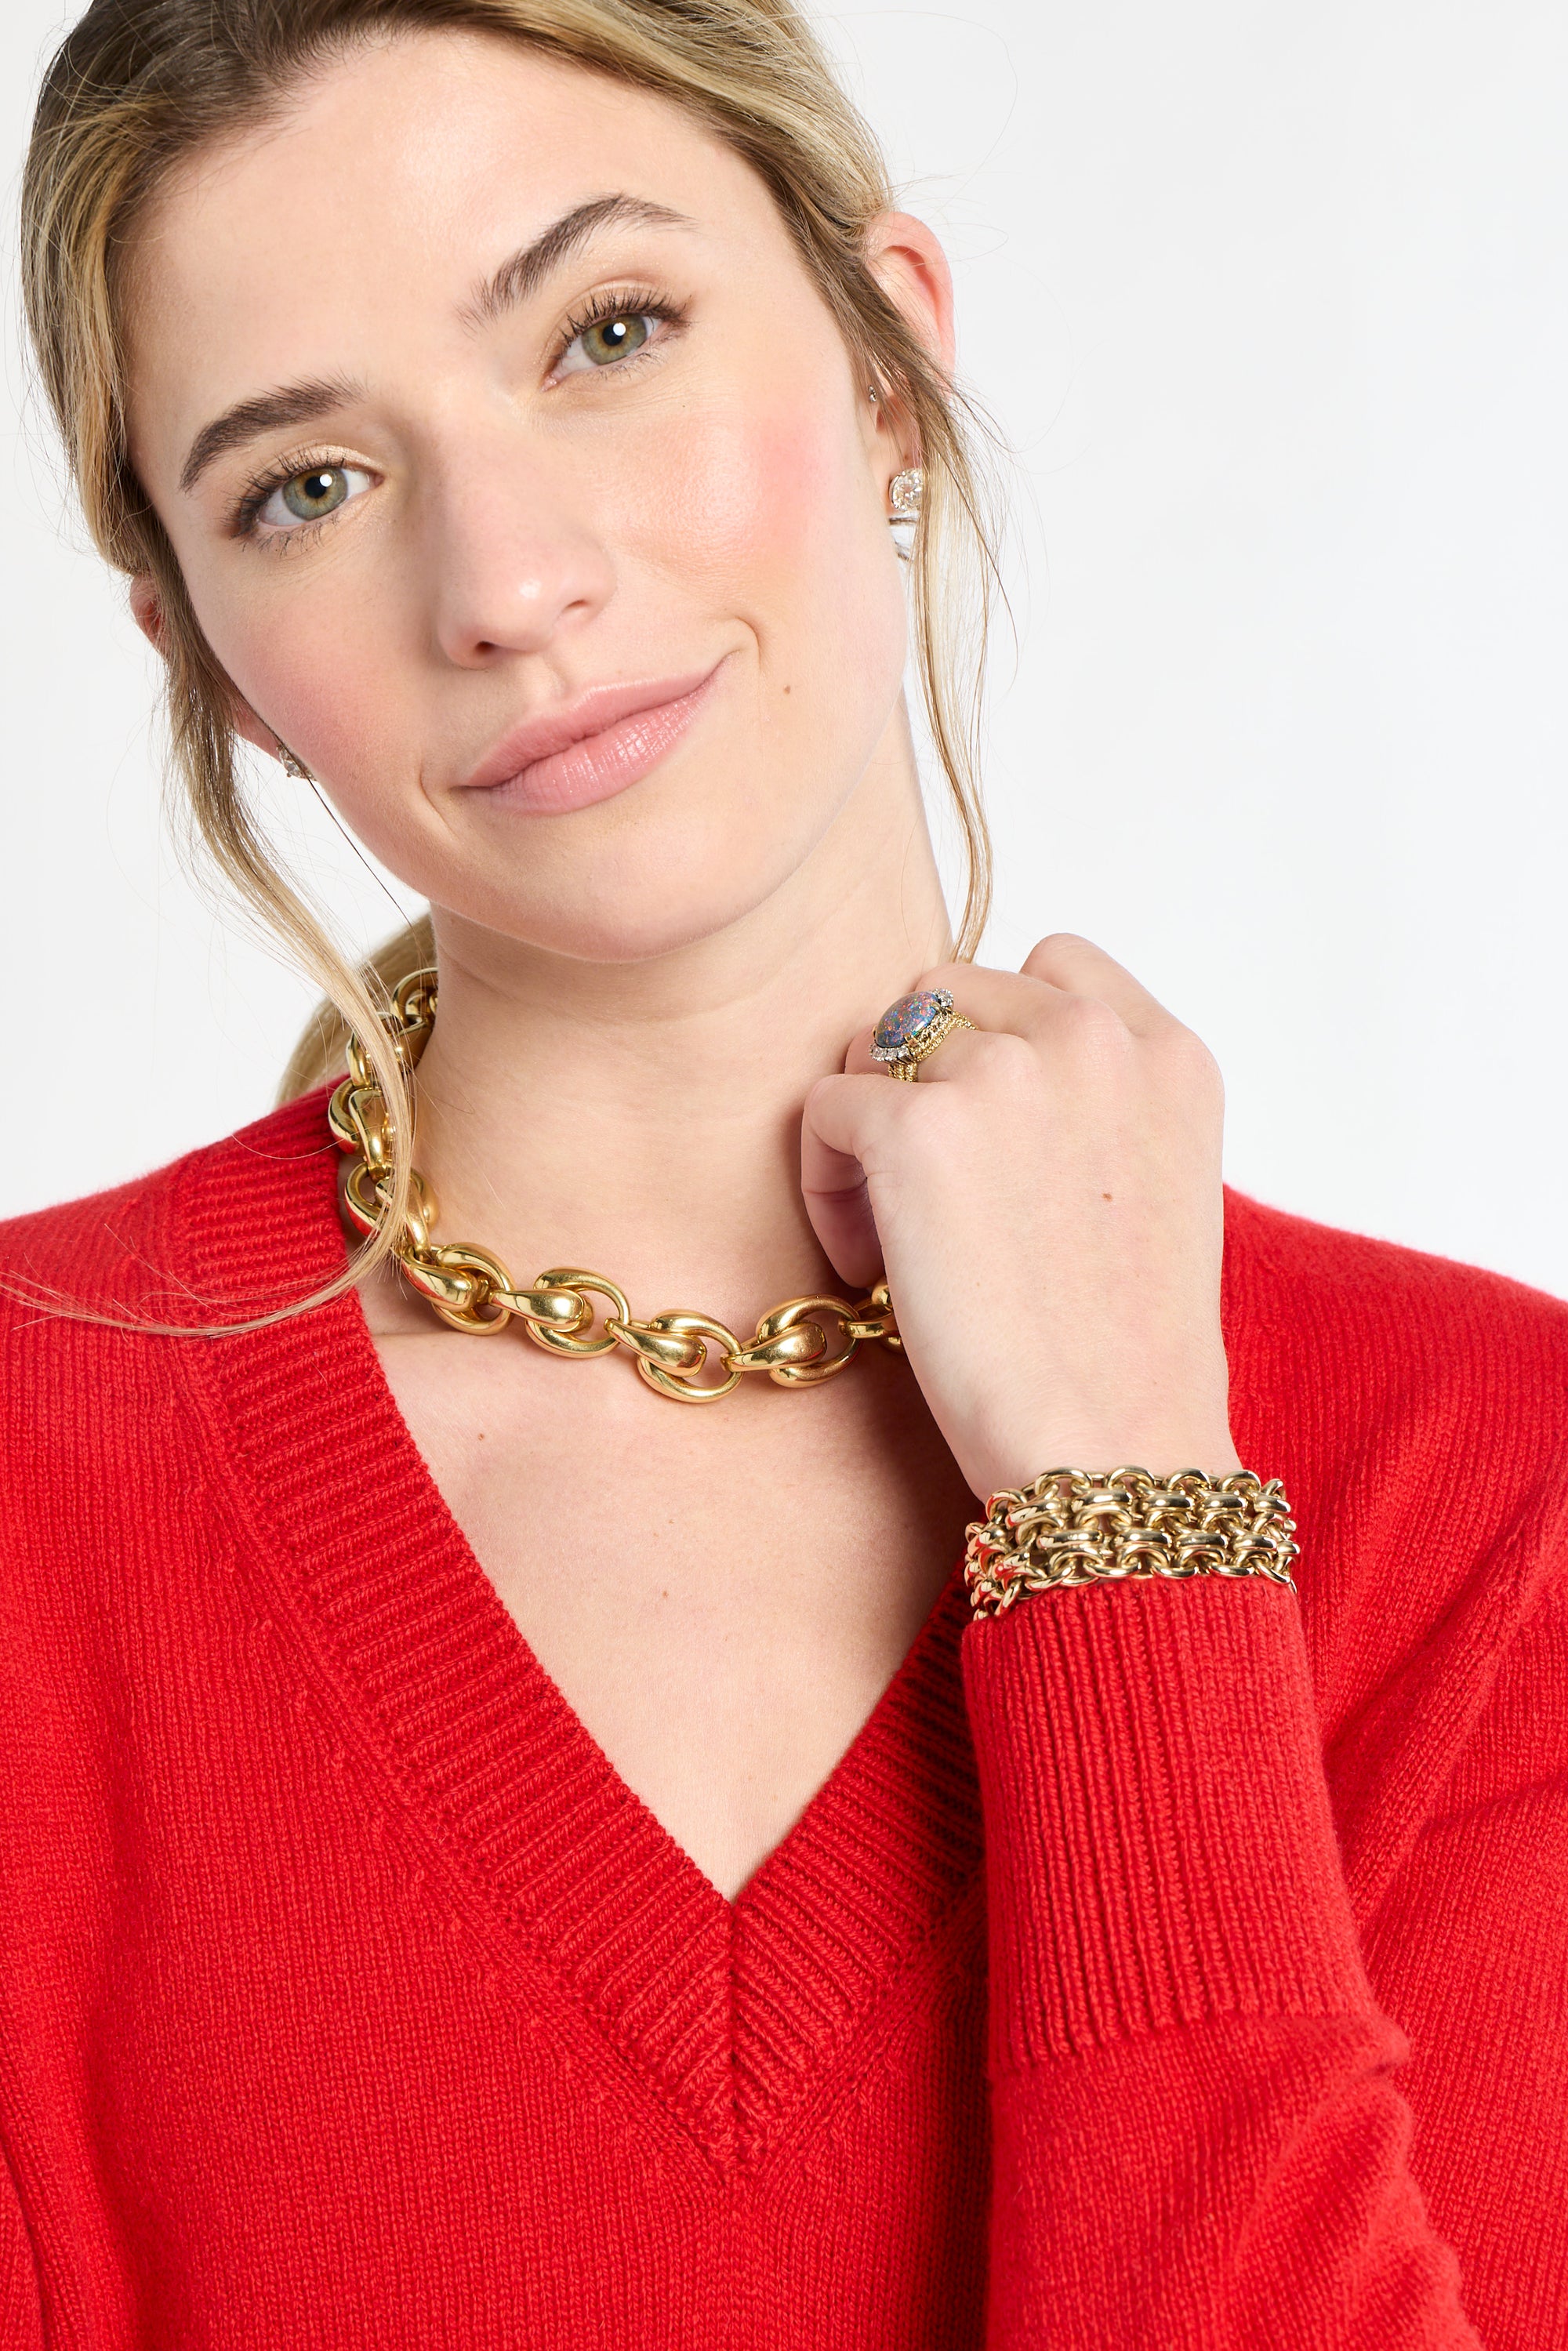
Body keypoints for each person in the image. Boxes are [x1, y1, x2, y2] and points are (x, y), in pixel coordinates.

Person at [5, 2, 1565, 2344]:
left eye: (607, 333)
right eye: (304, 485)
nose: (508, 581)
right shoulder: (39, 1480)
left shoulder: (1494, 1494)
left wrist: (1129, 1520)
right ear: (206, 657)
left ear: (887, 363)